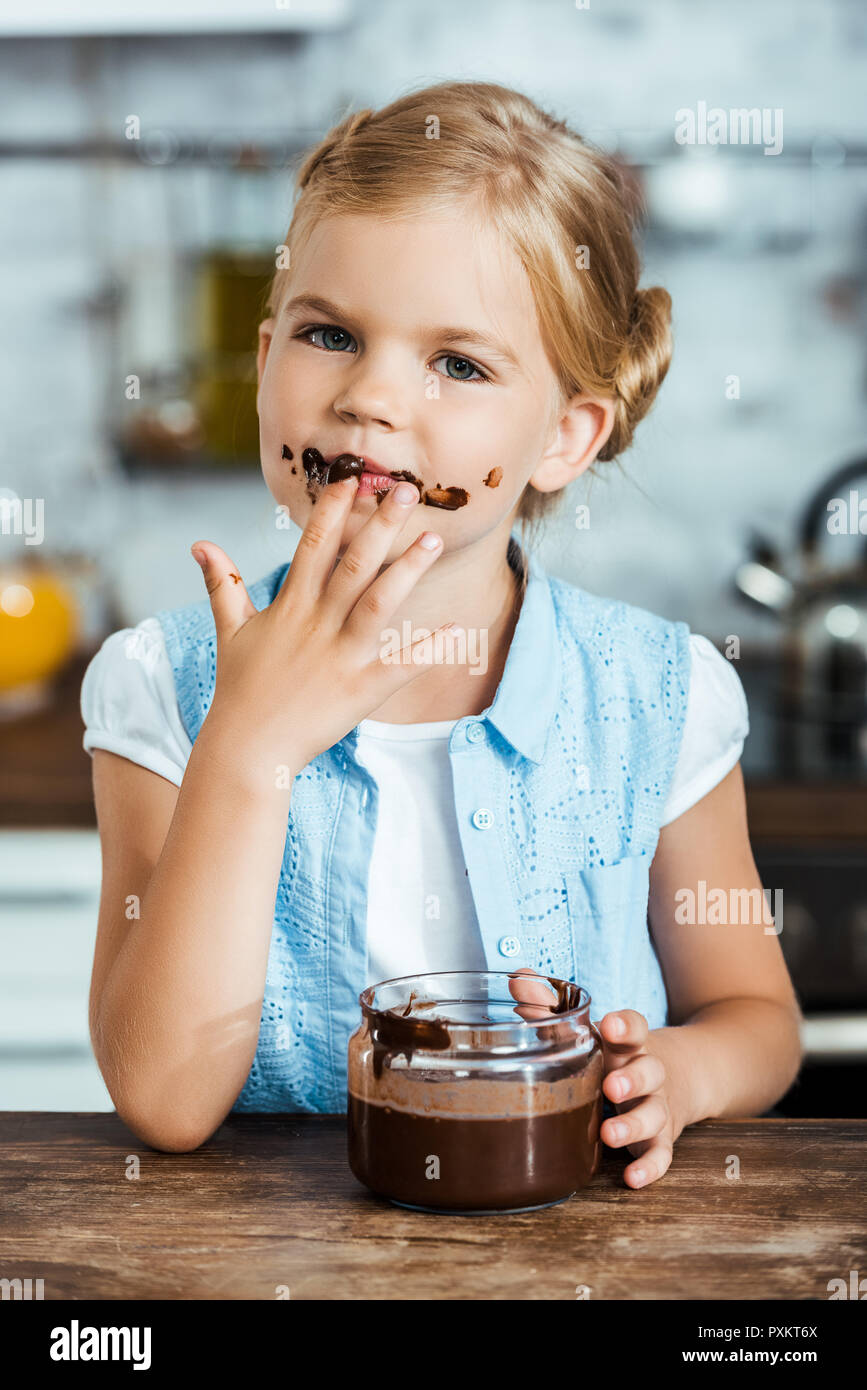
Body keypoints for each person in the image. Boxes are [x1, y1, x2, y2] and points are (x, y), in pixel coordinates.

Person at [81, 80, 803, 1187]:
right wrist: (252, 747)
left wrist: (680, 1072)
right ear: (266, 357)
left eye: (456, 363)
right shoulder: (159, 686)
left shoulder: (661, 696)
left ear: (566, 436)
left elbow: (754, 1013)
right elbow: (164, 1101)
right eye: (330, 335)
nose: (370, 396)